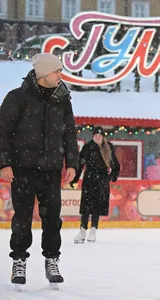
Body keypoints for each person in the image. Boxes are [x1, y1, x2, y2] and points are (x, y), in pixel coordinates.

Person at [0, 53, 79, 287]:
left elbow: (70, 134)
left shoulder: (62, 99)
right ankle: (19, 261)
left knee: (52, 218)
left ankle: (52, 260)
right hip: (22, 168)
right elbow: (2, 132)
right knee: (22, 218)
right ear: (44, 73)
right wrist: (4, 162)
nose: (60, 75)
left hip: (51, 169)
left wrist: (72, 163)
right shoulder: (17, 98)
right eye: (57, 71)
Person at [71, 126, 120, 243]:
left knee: (97, 206)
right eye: (95, 135)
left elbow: (116, 165)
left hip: (102, 180)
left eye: (99, 135)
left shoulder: (108, 147)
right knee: (86, 206)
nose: (97, 137)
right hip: (89, 180)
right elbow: (80, 164)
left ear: (103, 137)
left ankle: (94, 229)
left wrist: (112, 177)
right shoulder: (87, 147)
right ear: (93, 136)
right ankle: (82, 230)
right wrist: (75, 179)